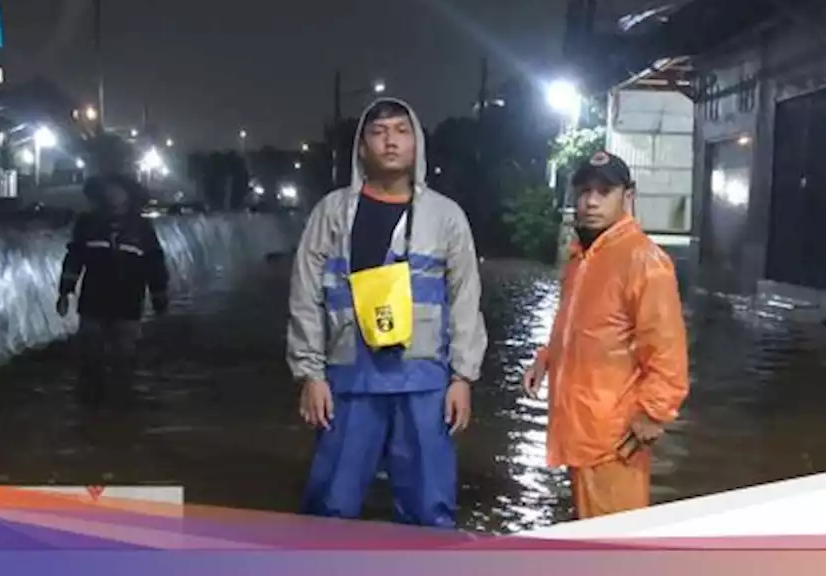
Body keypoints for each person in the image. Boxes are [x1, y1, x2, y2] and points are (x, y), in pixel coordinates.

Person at [287, 97, 488, 528]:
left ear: (417, 143)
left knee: (429, 509)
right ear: (362, 148)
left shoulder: (445, 216)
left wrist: (463, 378)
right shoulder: (333, 212)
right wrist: (311, 375)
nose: (390, 141)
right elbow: (305, 293)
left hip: (424, 382)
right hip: (349, 378)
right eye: (378, 133)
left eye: (401, 130)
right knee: (330, 506)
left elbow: (465, 298)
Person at [522, 150, 689, 520]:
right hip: (581, 427)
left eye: (604, 191)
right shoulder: (582, 257)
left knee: (614, 545)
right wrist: (546, 358)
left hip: (615, 437)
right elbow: (581, 327)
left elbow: (668, 353)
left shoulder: (644, 261)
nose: (591, 201)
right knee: (592, 537)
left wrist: (652, 415)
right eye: (584, 191)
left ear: (627, 197)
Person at [57, 174, 170, 407]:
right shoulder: (87, 223)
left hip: (128, 297)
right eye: (108, 191)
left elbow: (154, 262)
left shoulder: (142, 228)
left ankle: (121, 403)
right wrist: (65, 292)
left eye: (118, 191)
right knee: (90, 350)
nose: (113, 196)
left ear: (129, 195)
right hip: (94, 296)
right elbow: (74, 258)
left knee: (125, 352)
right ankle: (90, 402)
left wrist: (159, 294)